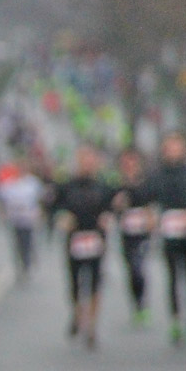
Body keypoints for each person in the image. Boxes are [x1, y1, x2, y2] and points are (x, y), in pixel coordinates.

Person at [149, 132, 186, 347]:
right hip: (169, 233)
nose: (173, 150)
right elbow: (149, 200)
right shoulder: (158, 175)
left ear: (184, 149)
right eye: (169, 146)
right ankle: (175, 320)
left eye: (177, 145)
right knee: (173, 277)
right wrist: (152, 217)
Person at [52, 145, 115, 349]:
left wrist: (108, 218)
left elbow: (112, 208)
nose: (87, 164)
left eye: (91, 160)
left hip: (95, 238)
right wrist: (62, 218)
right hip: (75, 239)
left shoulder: (104, 187)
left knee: (95, 281)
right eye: (83, 159)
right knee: (75, 283)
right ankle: (78, 313)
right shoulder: (67, 186)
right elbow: (55, 207)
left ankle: (92, 326)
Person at [111, 148, 156, 325]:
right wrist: (117, 206)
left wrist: (151, 218)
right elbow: (112, 210)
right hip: (126, 234)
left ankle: (142, 302)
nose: (129, 166)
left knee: (139, 267)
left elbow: (151, 204)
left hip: (142, 233)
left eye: (132, 162)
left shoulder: (145, 184)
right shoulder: (118, 186)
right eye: (126, 163)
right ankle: (136, 304)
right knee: (131, 269)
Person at [0, 158, 44, 283]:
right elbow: (3, 199)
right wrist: (3, 212)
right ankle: (20, 264)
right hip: (15, 218)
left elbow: (39, 199)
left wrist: (39, 214)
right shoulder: (10, 183)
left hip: (28, 218)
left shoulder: (33, 183)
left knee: (27, 241)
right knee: (17, 242)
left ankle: (27, 263)